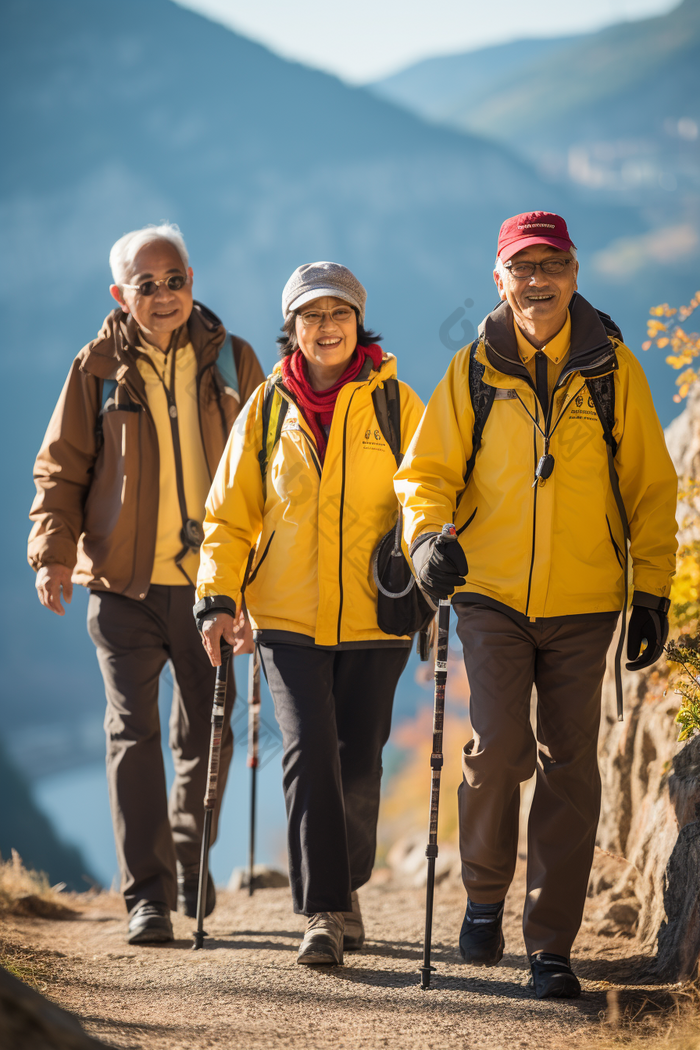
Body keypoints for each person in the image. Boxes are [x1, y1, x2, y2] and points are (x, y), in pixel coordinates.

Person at [395, 212, 677, 998]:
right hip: (488, 595)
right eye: (523, 268)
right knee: (498, 749)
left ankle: (550, 944)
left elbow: (651, 492)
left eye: (551, 265)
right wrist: (424, 541)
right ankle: (484, 897)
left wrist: (649, 590)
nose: (538, 281)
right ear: (501, 281)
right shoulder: (473, 370)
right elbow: (425, 476)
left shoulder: (614, 371)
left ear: (575, 273)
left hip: (586, 602)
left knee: (569, 766)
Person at [28, 223, 264, 944]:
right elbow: (61, 467)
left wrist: (263, 582)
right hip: (123, 589)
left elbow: (274, 474)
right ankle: (149, 897)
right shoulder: (95, 370)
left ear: (192, 278)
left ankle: (190, 858)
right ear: (119, 294)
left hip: (212, 590)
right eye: (147, 285)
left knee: (209, 734)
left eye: (176, 280)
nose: (165, 297)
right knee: (132, 735)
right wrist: (52, 552)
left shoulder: (234, 360)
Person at [194, 261, 424, 966]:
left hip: (376, 618)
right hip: (287, 619)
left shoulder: (398, 404)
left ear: (359, 323)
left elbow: (427, 494)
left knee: (359, 759)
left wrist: (434, 560)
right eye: (311, 316)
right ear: (291, 328)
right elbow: (229, 516)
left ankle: (347, 888)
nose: (326, 328)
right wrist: (216, 599)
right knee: (307, 752)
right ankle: (323, 910)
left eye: (339, 314)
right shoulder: (265, 409)